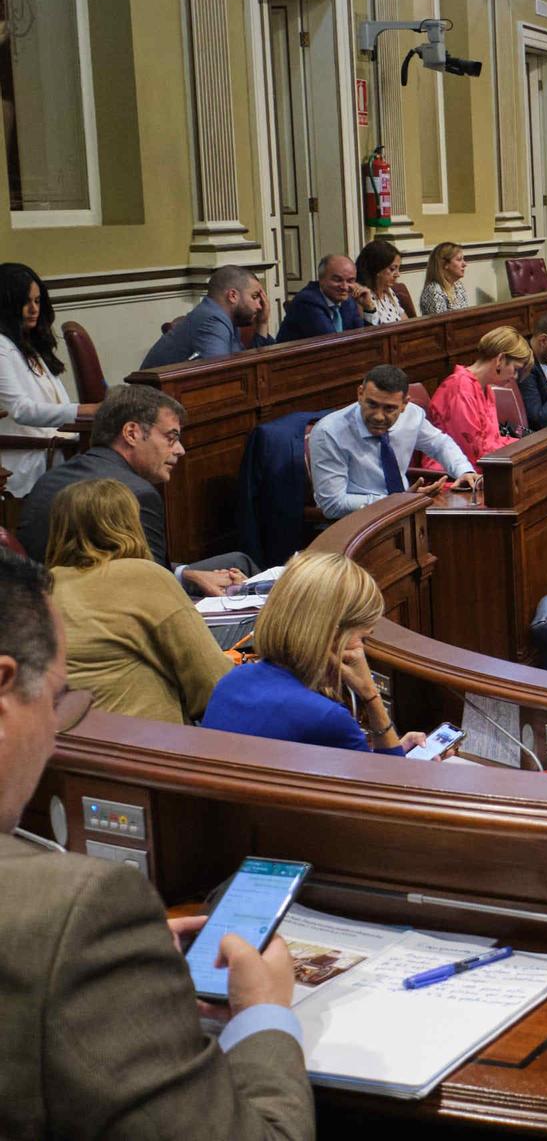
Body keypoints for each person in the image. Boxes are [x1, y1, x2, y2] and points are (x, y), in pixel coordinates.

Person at [0, 550, 314, 1138]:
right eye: (58, 701)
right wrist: (266, 1014)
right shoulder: (78, 908)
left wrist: (118, 964)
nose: (53, 733)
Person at [17, 384, 256, 596]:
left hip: (52, 611)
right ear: (132, 433)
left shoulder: (50, 479)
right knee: (241, 583)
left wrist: (186, 575)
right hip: (112, 622)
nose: (180, 450)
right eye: (171, 438)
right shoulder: (136, 494)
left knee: (237, 561)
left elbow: (113, 569)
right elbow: (152, 591)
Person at [202, 551, 427, 755]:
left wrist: (391, 748)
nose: (361, 651)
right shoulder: (327, 718)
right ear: (332, 636)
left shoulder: (231, 682)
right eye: (363, 638)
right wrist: (370, 695)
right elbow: (389, 784)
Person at [44, 479, 229, 725]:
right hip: (145, 749)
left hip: (61, 750)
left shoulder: (41, 587)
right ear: (129, 523)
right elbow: (214, 685)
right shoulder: (144, 576)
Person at [308, 364, 479, 518]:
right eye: (372, 404)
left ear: (405, 404)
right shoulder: (329, 432)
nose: (379, 416)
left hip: (405, 511)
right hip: (356, 523)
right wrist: (398, 501)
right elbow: (333, 505)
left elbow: (440, 444)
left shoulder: (412, 414)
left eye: (389, 408)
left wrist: (463, 471)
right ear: (360, 394)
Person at [0, 262, 86, 498]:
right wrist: (83, 411)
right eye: (25, 302)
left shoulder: (29, 345)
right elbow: (21, 410)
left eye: (37, 301)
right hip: (27, 456)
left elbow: (58, 404)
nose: (33, 309)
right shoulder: (1, 347)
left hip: (58, 446)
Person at [423, 327, 531, 466]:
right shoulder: (460, 388)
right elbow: (474, 452)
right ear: (500, 359)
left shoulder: (486, 388)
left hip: (481, 468)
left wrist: (527, 443)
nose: (514, 377)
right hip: (452, 476)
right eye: (515, 369)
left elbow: (493, 440)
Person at [141, 265, 269, 368]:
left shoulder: (226, 318)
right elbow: (222, 376)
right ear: (233, 296)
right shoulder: (211, 321)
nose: (259, 305)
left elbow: (250, 365)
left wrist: (262, 323)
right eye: (254, 296)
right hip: (155, 398)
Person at [275, 254, 364, 341]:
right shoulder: (307, 301)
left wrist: (369, 308)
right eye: (337, 280)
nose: (344, 287)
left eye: (350, 281)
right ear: (321, 279)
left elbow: (364, 337)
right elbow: (331, 342)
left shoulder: (348, 301)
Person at [354, 239, 407, 325]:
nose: (398, 274)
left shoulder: (389, 292)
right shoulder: (362, 295)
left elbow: (407, 324)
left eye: (398, 269)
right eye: (392, 269)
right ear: (376, 268)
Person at [419, 242, 471, 315]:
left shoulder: (458, 286)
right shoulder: (434, 290)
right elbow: (440, 324)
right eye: (459, 260)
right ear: (445, 264)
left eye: (463, 259)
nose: (464, 264)